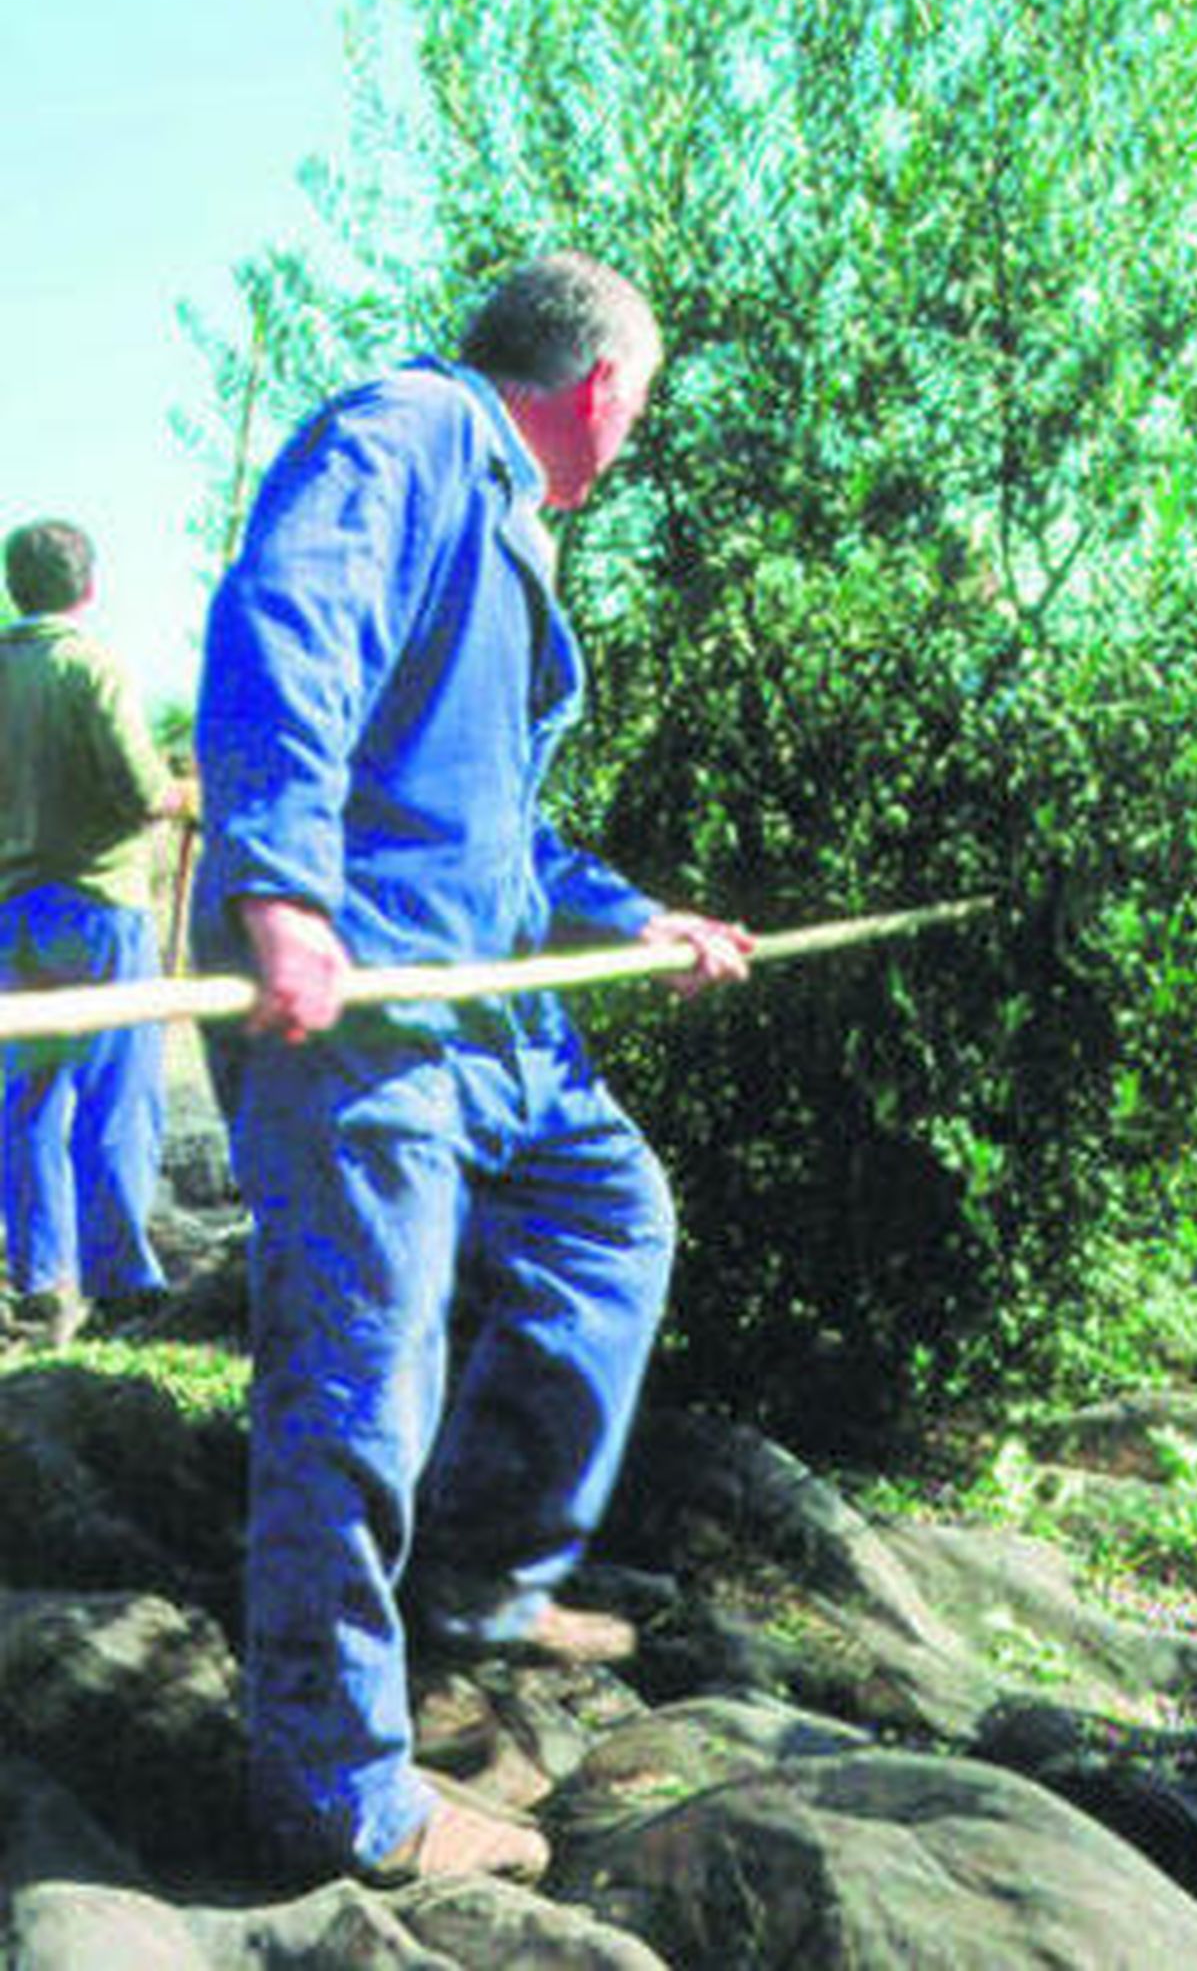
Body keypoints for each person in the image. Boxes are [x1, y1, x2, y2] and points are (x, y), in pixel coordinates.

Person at [192, 253, 754, 1887]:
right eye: (637, 412)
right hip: (366, 1024)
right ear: (603, 390)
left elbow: (496, 834)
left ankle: (480, 1585)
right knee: (356, 1391)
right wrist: (283, 892)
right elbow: (285, 629)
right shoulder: (414, 431)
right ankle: (336, 1794)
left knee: (611, 1224)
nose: (629, 438)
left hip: (497, 1023)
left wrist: (637, 915)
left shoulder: (513, 528)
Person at [0, 519, 188, 1346]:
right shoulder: (93, 666)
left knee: (29, 1100)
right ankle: (121, 1283)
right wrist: (188, 791)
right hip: (100, 907)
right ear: (89, 584)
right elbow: (144, 793)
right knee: (117, 1097)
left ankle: (43, 1281)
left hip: (12, 911)